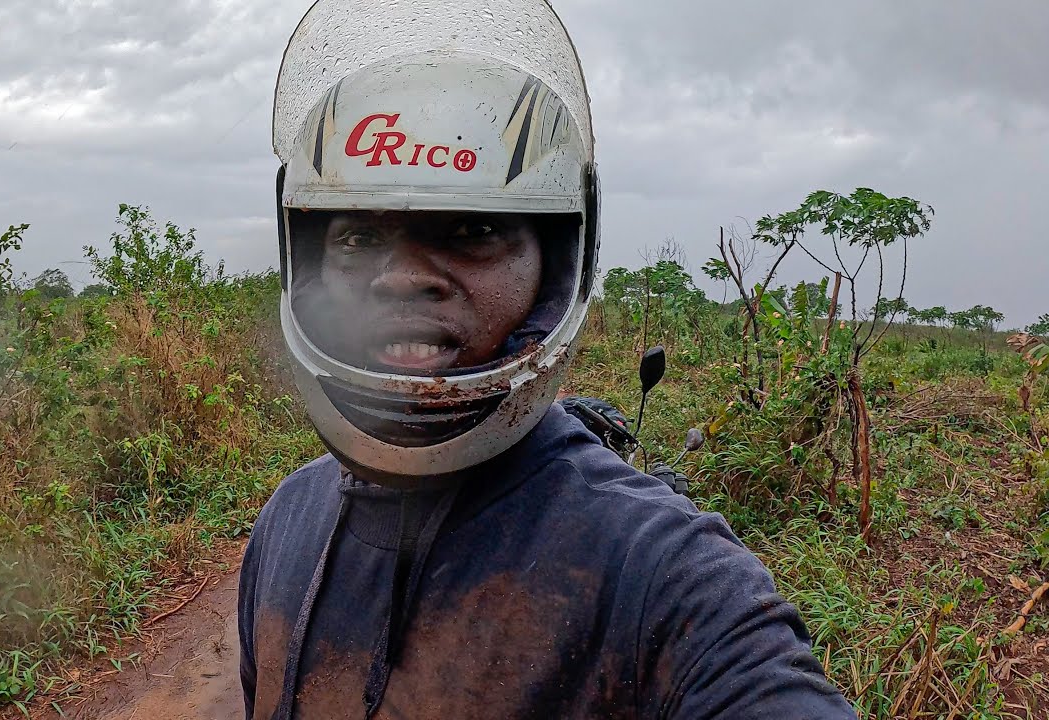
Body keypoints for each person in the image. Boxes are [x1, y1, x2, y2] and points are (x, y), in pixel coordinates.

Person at [237, 1, 858, 717]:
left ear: (556, 269)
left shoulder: (660, 573)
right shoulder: (287, 520)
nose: (402, 277)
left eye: (471, 230)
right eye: (355, 239)